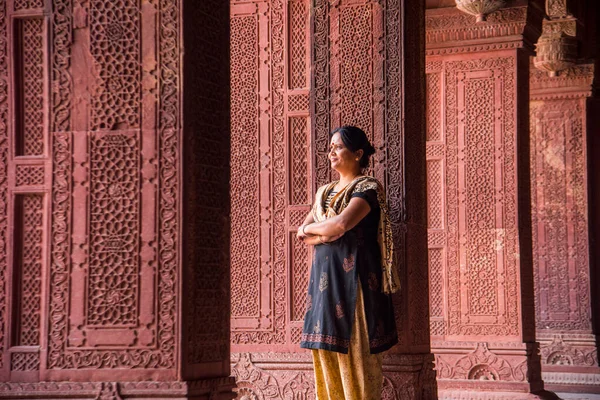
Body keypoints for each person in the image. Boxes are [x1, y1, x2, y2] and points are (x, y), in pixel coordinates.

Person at [297, 125, 401, 400]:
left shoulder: (368, 188)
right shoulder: (324, 193)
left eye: (339, 146)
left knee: (356, 356)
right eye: (330, 146)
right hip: (324, 287)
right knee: (326, 354)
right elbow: (304, 233)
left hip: (355, 285)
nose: (331, 151)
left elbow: (343, 223)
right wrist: (319, 231)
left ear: (357, 154)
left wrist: (321, 230)